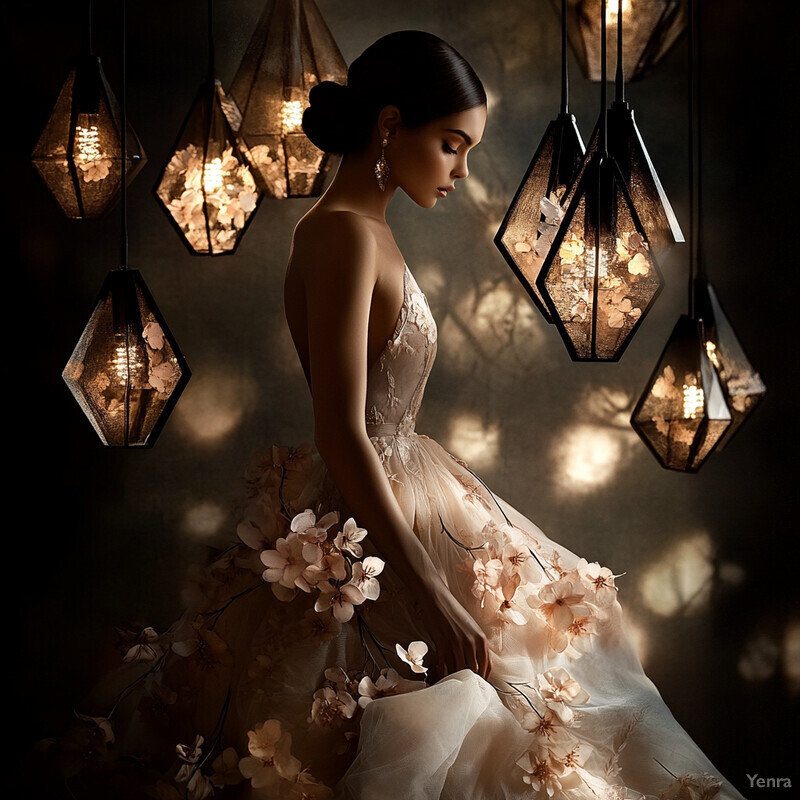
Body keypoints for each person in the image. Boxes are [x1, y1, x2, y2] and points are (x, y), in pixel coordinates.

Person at [36, 30, 745, 800]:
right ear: (389, 125)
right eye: (450, 144)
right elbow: (340, 431)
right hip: (370, 514)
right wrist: (436, 596)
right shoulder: (340, 235)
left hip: (413, 492)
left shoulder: (370, 232)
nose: (462, 170)